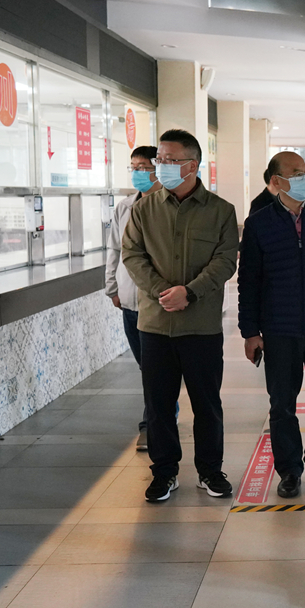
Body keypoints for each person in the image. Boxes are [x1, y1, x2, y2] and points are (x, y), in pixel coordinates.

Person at [122, 128, 239, 502]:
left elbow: (225, 260)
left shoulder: (220, 211)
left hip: (201, 326)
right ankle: (164, 472)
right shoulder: (144, 209)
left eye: (170, 160)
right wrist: (162, 291)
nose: (162, 166)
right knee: (158, 405)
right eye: (160, 159)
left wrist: (190, 292)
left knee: (207, 404)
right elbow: (132, 255)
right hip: (155, 325)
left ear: (193, 165)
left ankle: (210, 471)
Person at [238, 152, 305, 499]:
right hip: (279, 330)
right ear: (276, 181)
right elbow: (248, 281)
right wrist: (250, 332)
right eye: (296, 173)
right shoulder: (259, 223)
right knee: (282, 405)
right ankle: (290, 470)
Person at [105, 145, 160, 451]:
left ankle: (152, 424)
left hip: (160, 302)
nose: (137, 173)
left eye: (143, 167)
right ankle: (160, 414)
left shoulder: (169, 205)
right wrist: (112, 287)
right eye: (133, 167)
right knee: (146, 366)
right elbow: (114, 248)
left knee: (156, 368)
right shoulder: (124, 207)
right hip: (130, 300)